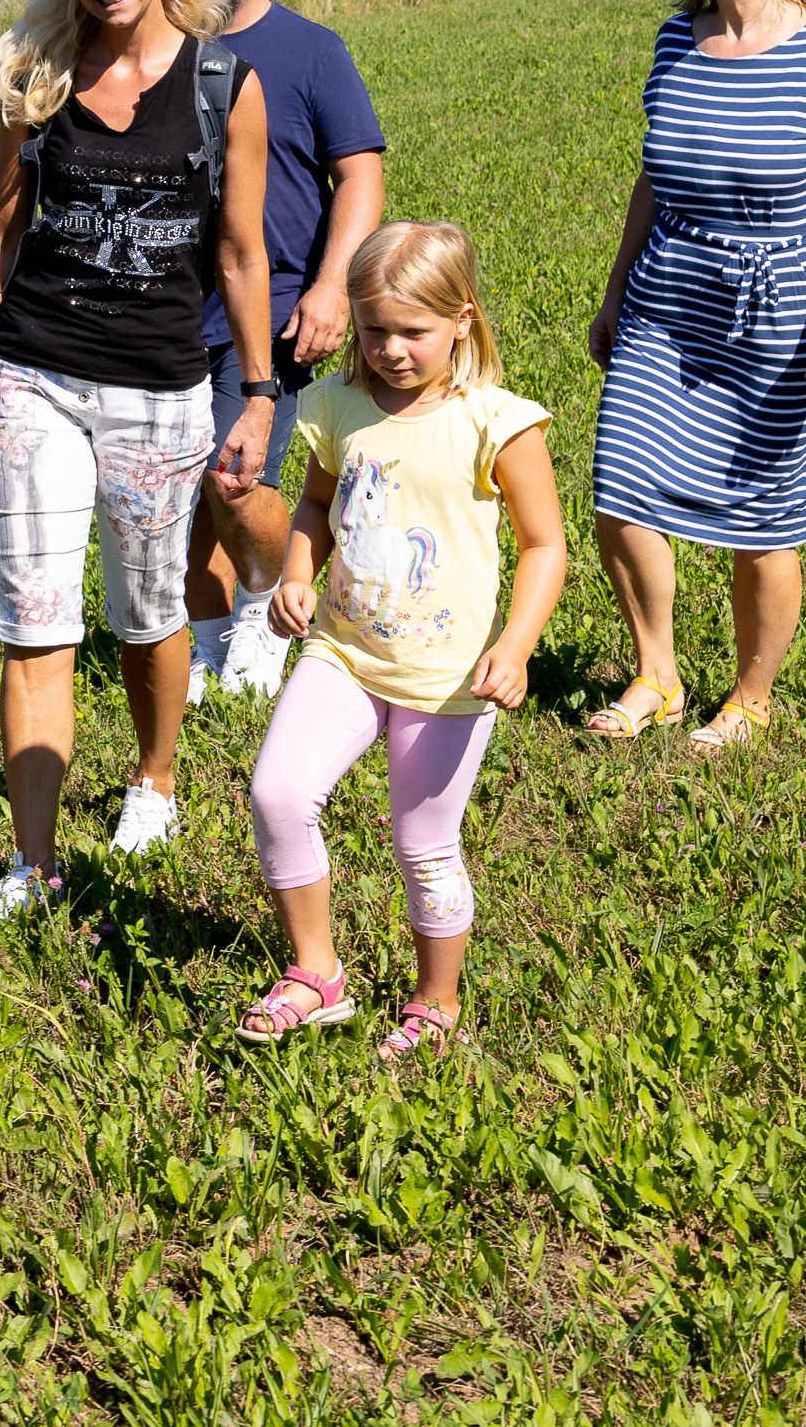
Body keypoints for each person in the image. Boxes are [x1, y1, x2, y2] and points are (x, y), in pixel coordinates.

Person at [0, 0, 278, 924]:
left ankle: (153, 779)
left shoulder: (225, 82)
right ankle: (30, 863)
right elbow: (0, 233)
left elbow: (239, 254)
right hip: (33, 373)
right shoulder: (34, 72)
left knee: (147, 614)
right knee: (33, 622)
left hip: (163, 387)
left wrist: (259, 391)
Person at [582, 0, 806, 752]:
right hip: (667, 297)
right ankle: (658, 675)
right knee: (619, 490)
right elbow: (654, 173)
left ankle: (752, 697)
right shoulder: (673, 39)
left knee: (765, 520)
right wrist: (615, 287)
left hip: (781, 307)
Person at [239, 222, 564, 1057]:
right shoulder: (337, 408)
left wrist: (517, 645)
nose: (388, 350)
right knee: (278, 795)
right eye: (373, 329)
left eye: (411, 332)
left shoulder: (497, 422)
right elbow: (315, 505)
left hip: (446, 676)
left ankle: (435, 1000)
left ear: (462, 319)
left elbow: (544, 545)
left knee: (421, 844)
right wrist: (298, 575)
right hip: (342, 651)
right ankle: (317, 976)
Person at [175, 0, 386, 708]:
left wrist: (333, 287)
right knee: (174, 495)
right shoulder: (152, 47)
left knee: (235, 482)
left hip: (269, 309)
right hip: (164, 309)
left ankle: (263, 616)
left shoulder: (309, 50)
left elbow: (359, 173)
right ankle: (199, 641)